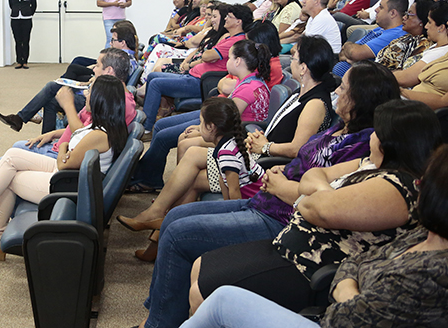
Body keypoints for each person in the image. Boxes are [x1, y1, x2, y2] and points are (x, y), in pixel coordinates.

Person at [130, 73, 407, 328]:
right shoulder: (341, 129)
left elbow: (322, 199)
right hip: (270, 199)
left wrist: (286, 184)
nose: (337, 90)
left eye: (344, 88)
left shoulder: (362, 143)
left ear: (361, 99)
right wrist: (285, 175)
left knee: (179, 234)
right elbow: (314, 174)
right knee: (175, 218)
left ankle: (157, 324)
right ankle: (158, 316)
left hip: (282, 217)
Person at [181, 144, 448, 328]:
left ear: (446, 199)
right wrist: (350, 287)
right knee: (220, 296)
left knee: (223, 300)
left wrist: (347, 289)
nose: (418, 187)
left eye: (426, 184)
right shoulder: (423, 235)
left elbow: (343, 317)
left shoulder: (436, 270)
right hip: (341, 308)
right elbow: (358, 262)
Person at [188, 99, 443, 318]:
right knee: (200, 266)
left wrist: (315, 198)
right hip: (291, 245)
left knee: (202, 292)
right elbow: (314, 175)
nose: (372, 136)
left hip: (311, 267)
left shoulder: (398, 187)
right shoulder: (369, 163)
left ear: (395, 142)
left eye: (378, 131)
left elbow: (314, 209)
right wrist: (323, 195)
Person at [0, 75, 128, 260]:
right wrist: (67, 145)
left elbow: (64, 163)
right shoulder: (104, 127)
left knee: (7, 178)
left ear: (100, 100)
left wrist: (65, 146)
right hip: (70, 176)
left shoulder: (99, 135)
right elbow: (71, 150)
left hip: (66, 184)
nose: (86, 95)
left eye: (90, 92)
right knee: (10, 156)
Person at [119, 41, 273, 229]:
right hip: (229, 133)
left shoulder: (248, 88)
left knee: (187, 146)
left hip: (237, 141)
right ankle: (165, 216)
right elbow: (221, 87)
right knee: (180, 140)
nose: (227, 61)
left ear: (239, 61)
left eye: (231, 57)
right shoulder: (248, 81)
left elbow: (228, 121)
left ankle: (161, 213)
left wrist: (202, 129)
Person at [0, 26, 134, 133]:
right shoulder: (121, 59)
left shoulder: (125, 61)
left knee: (52, 87)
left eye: (113, 40)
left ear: (122, 43)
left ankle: (21, 119)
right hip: (94, 90)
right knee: (53, 93)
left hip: (94, 96)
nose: (110, 42)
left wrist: (88, 86)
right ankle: (36, 130)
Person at [141, 4, 252, 132]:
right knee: (153, 76)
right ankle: (148, 116)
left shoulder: (234, 41)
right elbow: (205, 53)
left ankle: (147, 128)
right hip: (193, 75)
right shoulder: (227, 37)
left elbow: (206, 55)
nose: (226, 19)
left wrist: (207, 54)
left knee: (156, 83)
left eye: (229, 17)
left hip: (200, 81)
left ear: (238, 21)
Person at [245, 36, 336, 161]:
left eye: (293, 59)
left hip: (271, 164)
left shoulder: (315, 104)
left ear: (303, 68)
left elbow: (297, 148)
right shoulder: (301, 92)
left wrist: (265, 147)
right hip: (263, 153)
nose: (291, 62)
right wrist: (257, 139)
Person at [333, 0, 408, 76]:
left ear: (392, 13)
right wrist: (350, 54)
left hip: (355, 83)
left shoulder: (395, 35)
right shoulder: (381, 28)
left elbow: (354, 52)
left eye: (381, 7)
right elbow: (345, 52)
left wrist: (350, 50)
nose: (376, 10)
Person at [374, 0, 435, 70]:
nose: (404, 17)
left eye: (410, 14)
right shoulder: (407, 37)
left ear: (421, 20)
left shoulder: (423, 46)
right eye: (406, 13)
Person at [8, 0, 36, 69]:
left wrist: (28, 13)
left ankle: (25, 61)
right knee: (18, 41)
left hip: (26, 19)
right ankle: (19, 61)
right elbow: (11, 4)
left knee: (26, 40)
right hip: (15, 19)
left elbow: (34, 5)